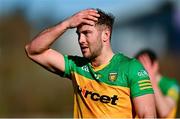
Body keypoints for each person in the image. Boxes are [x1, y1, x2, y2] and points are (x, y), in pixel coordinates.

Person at [25, 8, 156, 118]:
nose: (81, 40)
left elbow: (148, 115)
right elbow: (33, 50)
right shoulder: (76, 66)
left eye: (86, 33)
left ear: (105, 35)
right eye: (78, 34)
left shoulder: (130, 68)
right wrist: (66, 24)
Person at [135, 49, 179, 118]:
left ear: (155, 65)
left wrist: (151, 81)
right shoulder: (138, 84)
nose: (140, 72)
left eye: (144, 67)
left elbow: (164, 111)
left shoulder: (173, 86)